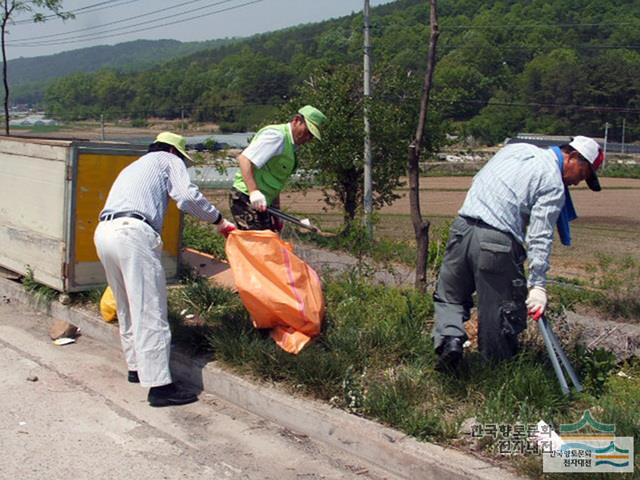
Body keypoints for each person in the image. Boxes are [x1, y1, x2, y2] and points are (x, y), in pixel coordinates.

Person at [433, 136, 604, 369]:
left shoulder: (516, 149)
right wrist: (538, 285)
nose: (577, 182)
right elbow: (540, 235)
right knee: (500, 312)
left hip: (462, 228)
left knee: (449, 295)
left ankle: (450, 341)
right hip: (497, 241)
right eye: (583, 174)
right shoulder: (553, 182)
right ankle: (496, 374)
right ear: (572, 157)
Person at [94, 132, 235, 407]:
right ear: (175, 151)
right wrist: (218, 219)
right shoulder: (168, 160)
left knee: (126, 305)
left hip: (104, 232)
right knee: (149, 309)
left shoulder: (135, 165)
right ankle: (160, 387)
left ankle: (136, 368)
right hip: (132, 233)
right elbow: (185, 196)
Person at [229, 105, 326, 230]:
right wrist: (253, 192)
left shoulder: (290, 147)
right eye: (307, 132)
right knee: (258, 244)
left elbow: (274, 181)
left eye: (312, 136)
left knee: (269, 241)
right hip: (245, 197)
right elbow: (244, 159)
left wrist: (276, 213)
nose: (308, 138)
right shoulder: (276, 136)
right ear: (297, 120)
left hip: (263, 203)